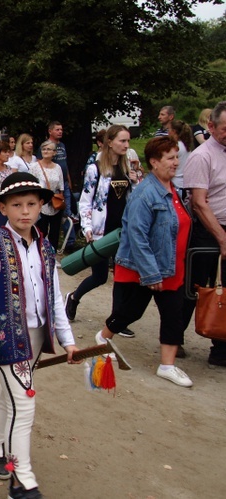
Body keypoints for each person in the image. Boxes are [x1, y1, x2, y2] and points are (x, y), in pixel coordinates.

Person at [0, 171, 79, 499]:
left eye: (32, 204)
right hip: (3, 339)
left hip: (35, 337)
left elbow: (55, 295)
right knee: (24, 402)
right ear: (3, 208)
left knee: (11, 397)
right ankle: (22, 480)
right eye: (17, 204)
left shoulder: (45, 247)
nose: (25, 211)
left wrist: (68, 338)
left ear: (42, 206)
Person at [96, 136, 192, 386]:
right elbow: (136, 235)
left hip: (171, 266)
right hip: (146, 268)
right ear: (154, 162)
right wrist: (151, 273)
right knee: (130, 312)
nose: (175, 162)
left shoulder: (172, 189)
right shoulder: (146, 194)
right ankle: (103, 337)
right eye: (170, 158)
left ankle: (167, 365)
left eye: (176, 157)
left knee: (174, 314)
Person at [65, 125, 140, 325]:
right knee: (99, 277)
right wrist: (87, 227)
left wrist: (135, 182)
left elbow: (134, 199)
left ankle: (116, 320)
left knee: (121, 277)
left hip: (123, 230)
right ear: (110, 142)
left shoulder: (127, 169)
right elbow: (85, 200)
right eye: (122, 141)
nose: (126, 145)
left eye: (128, 141)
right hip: (101, 230)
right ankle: (73, 298)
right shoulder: (95, 169)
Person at [182, 101, 226, 367]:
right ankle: (173, 340)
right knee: (194, 288)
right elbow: (199, 203)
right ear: (210, 126)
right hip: (207, 231)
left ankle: (220, 349)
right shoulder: (202, 156)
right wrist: (221, 237)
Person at [29, 141, 65, 249]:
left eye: (48, 149)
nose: (45, 151)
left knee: (54, 233)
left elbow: (61, 186)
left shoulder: (58, 167)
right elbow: (30, 186)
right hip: (40, 203)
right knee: (41, 231)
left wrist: (60, 200)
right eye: (44, 149)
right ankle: (38, 254)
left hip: (54, 203)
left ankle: (52, 256)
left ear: (54, 152)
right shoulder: (34, 167)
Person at [169, 119, 193, 191]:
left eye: (169, 130)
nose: (168, 132)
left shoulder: (175, 147)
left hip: (174, 183)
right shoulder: (186, 146)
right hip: (184, 183)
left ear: (173, 131)